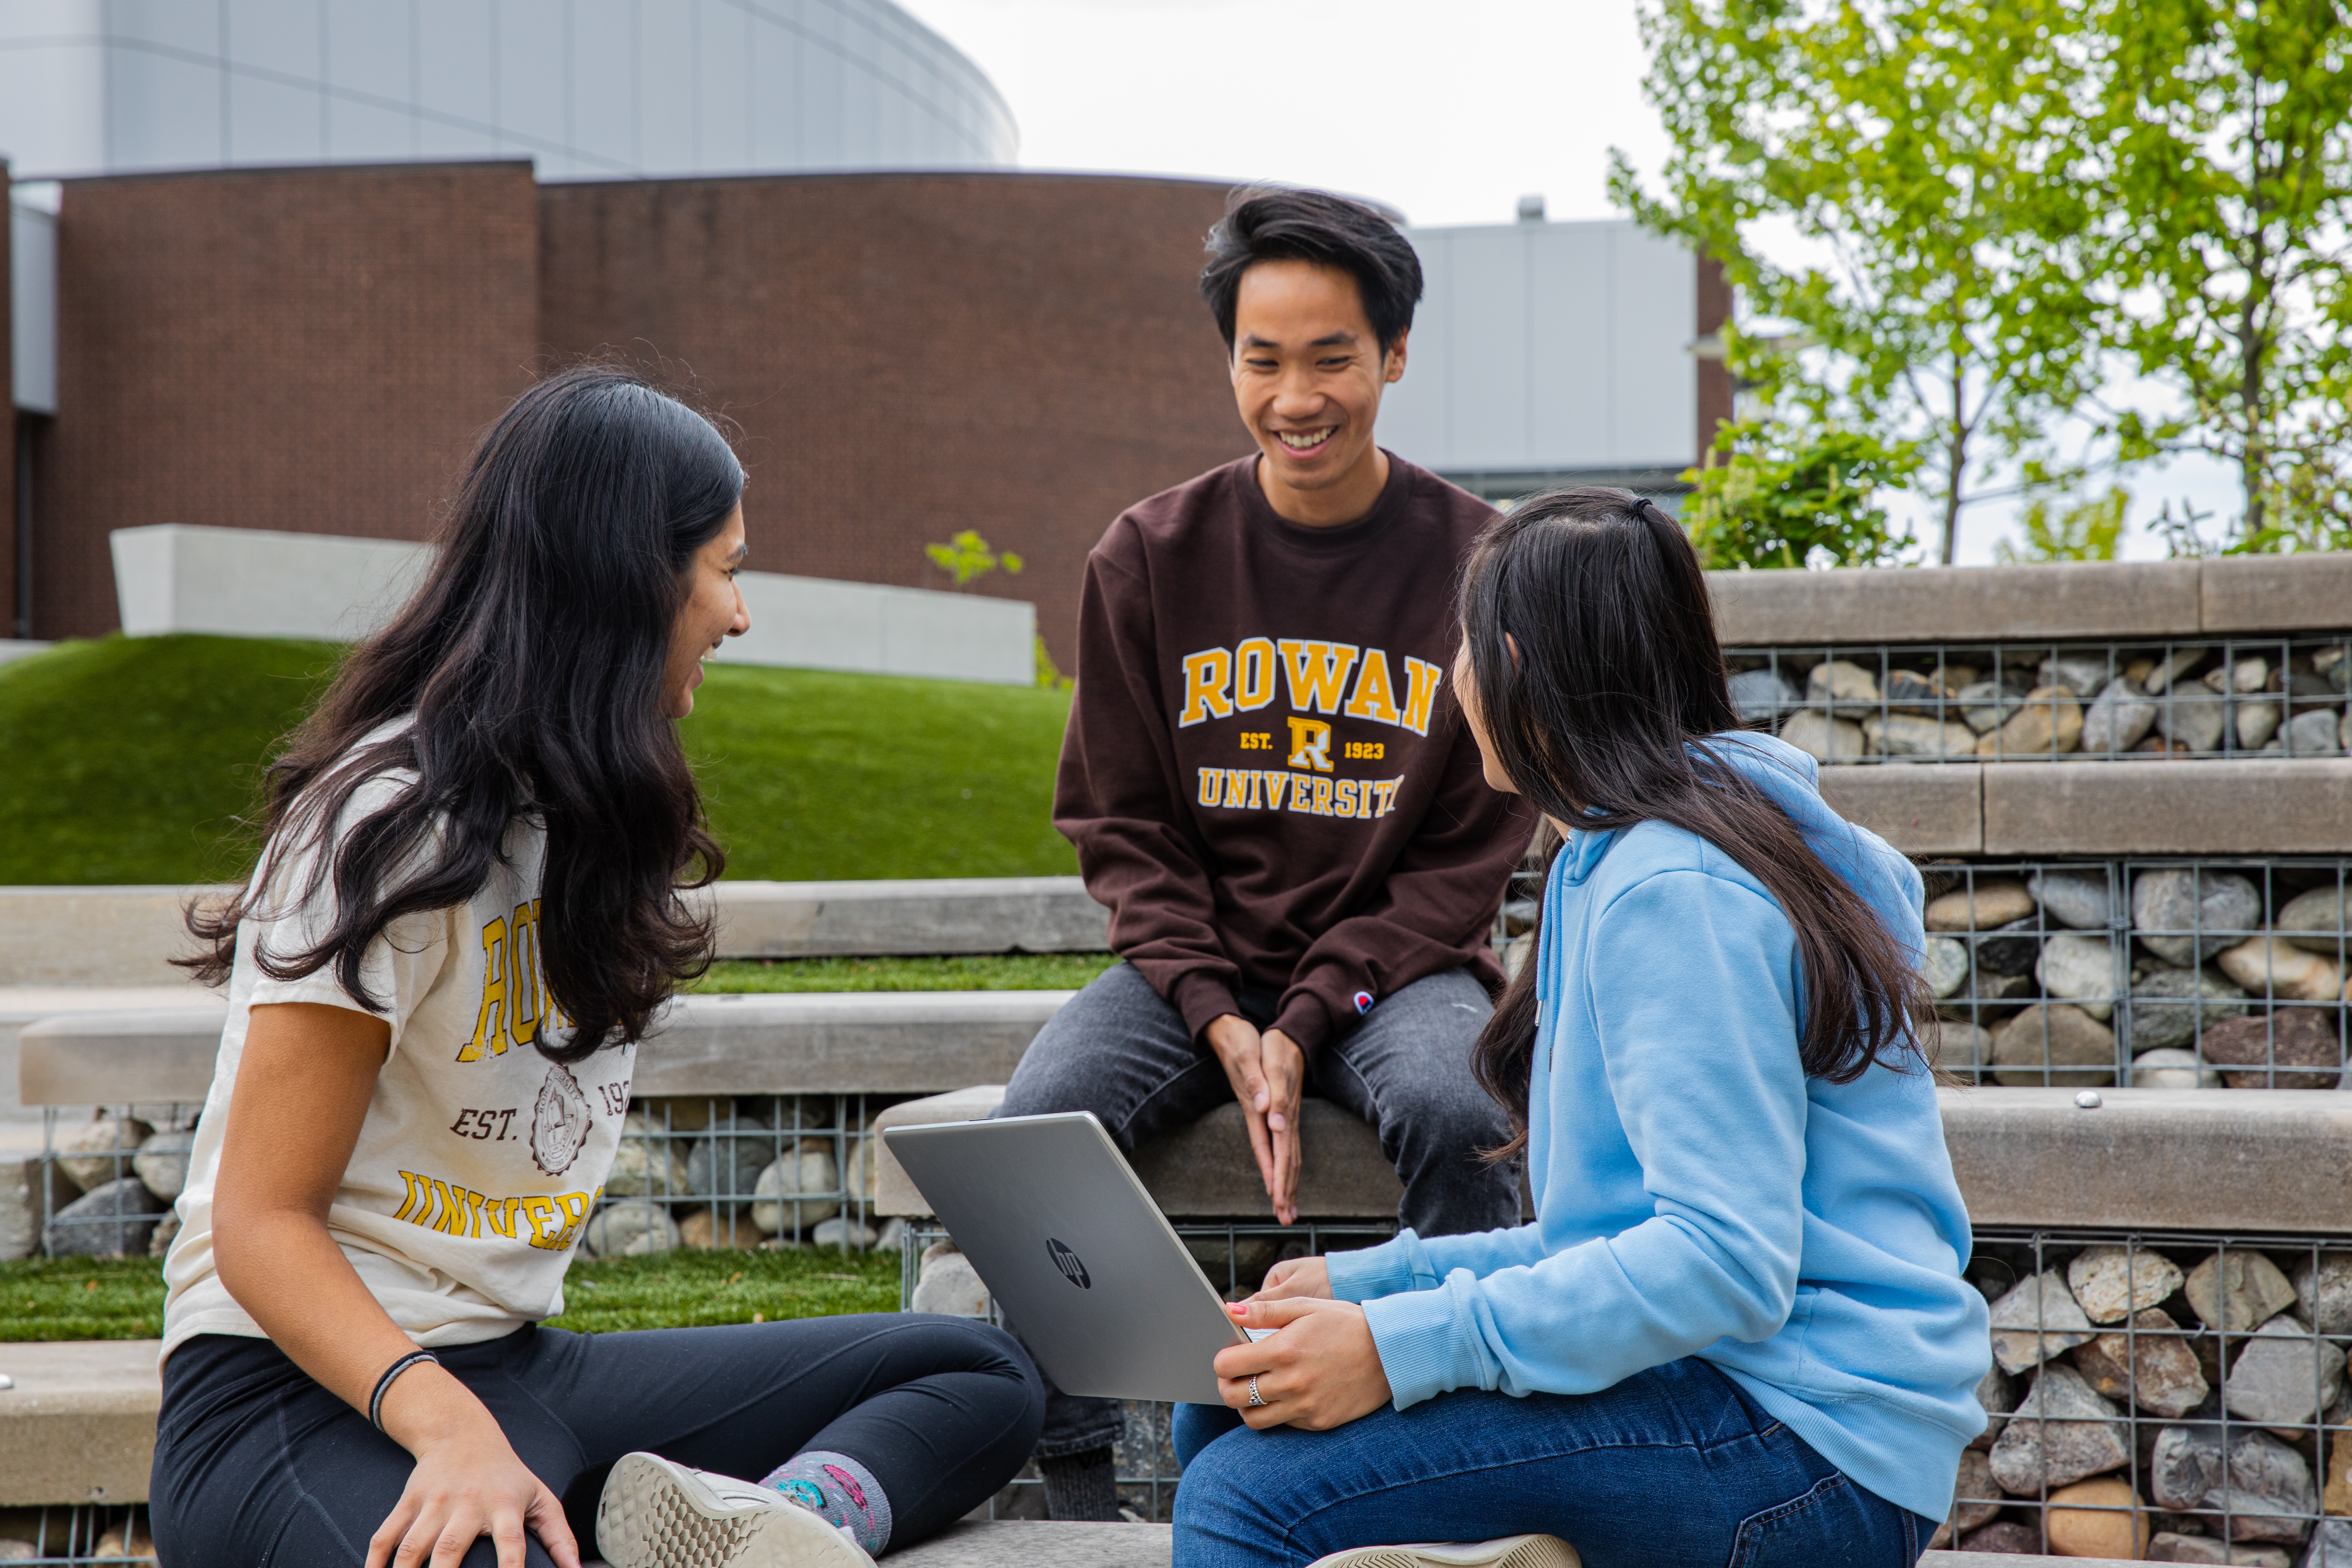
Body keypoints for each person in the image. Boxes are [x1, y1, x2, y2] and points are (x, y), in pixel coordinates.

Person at [150, 367, 1044, 1568]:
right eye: (726, 566)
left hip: (516, 1369)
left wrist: (485, 1420)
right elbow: (260, 1225)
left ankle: (785, 1534)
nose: (739, 613)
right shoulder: (383, 822)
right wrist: (451, 1430)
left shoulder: (586, 817)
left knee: (974, 1371)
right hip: (291, 1398)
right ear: (630, 577)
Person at [1169, 490, 1992, 1568]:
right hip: (1741, 1391)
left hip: (1812, 1450)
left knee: (1244, 1496)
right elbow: (1598, 1236)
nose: (1455, 681)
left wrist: (1400, 1345)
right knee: (1231, 1402)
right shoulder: (1617, 856)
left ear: (1515, 662)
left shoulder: (1678, 888)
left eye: (1463, 647)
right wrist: (1374, 1284)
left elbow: (1721, 1262)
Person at [997, 186, 1536, 1518]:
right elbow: (1121, 825)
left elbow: (1473, 847)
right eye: (1262, 357)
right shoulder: (1149, 556)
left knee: (1472, 1119)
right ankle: (1072, 1485)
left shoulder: (1480, 563)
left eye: (1332, 357)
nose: (1296, 396)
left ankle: (1446, 1468)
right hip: (1194, 966)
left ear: (1396, 354)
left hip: (1399, 965)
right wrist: (1214, 1011)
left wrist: (1307, 1014)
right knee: (1037, 1129)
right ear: (1228, 357)